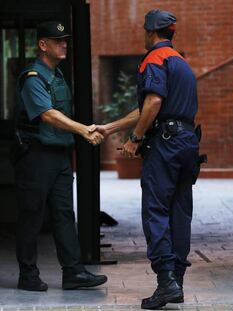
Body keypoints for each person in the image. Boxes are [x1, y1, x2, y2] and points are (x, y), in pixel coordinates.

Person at [96, 9, 200, 309]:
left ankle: (165, 281)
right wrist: (111, 127)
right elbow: (151, 106)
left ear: (150, 32)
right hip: (187, 143)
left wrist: (136, 139)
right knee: (180, 213)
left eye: (144, 31)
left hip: (164, 146)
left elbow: (153, 101)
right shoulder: (181, 63)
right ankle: (176, 281)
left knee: (155, 211)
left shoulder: (155, 58)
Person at [13, 21, 107, 292]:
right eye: (57, 40)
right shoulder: (33, 77)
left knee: (65, 213)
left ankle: (73, 272)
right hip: (36, 156)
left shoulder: (57, 75)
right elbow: (48, 114)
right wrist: (84, 130)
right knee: (32, 213)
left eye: (65, 39)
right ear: (43, 45)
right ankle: (27, 275)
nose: (64, 44)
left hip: (59, 156)